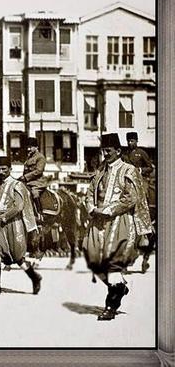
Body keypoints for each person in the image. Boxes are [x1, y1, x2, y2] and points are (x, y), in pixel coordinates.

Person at [82, 133, 153, 321]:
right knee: (93, 260)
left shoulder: (128, 170)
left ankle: (110, 307)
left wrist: (109, 210)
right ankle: (120, 286)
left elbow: (131, 198)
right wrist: (90, 206)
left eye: (109, 150)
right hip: (98, 221)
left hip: (120, 221)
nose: (105, 154)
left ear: (118, 151)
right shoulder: (100, 170)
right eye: (103, 150)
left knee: (113, 262)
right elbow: (90, 192)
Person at [0, 157, 42, 295]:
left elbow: (19, 206)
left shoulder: (17, 185)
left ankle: (35, 277)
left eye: (5, 169)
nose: (2, 171)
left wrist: (5, 216)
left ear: (10, 169)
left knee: (17, 257)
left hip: (13, 223)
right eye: (0, 169)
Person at [19, 137, 47, 221]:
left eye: (31, 147)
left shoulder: (40, 157)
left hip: (37, 182)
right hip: (28, 182)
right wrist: (21, 178)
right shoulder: (29, 157)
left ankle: (39, 213)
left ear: (36, 147)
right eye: (28, 147)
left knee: (34, 193)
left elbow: (39, 171)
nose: (28, 149)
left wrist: (25, 177)